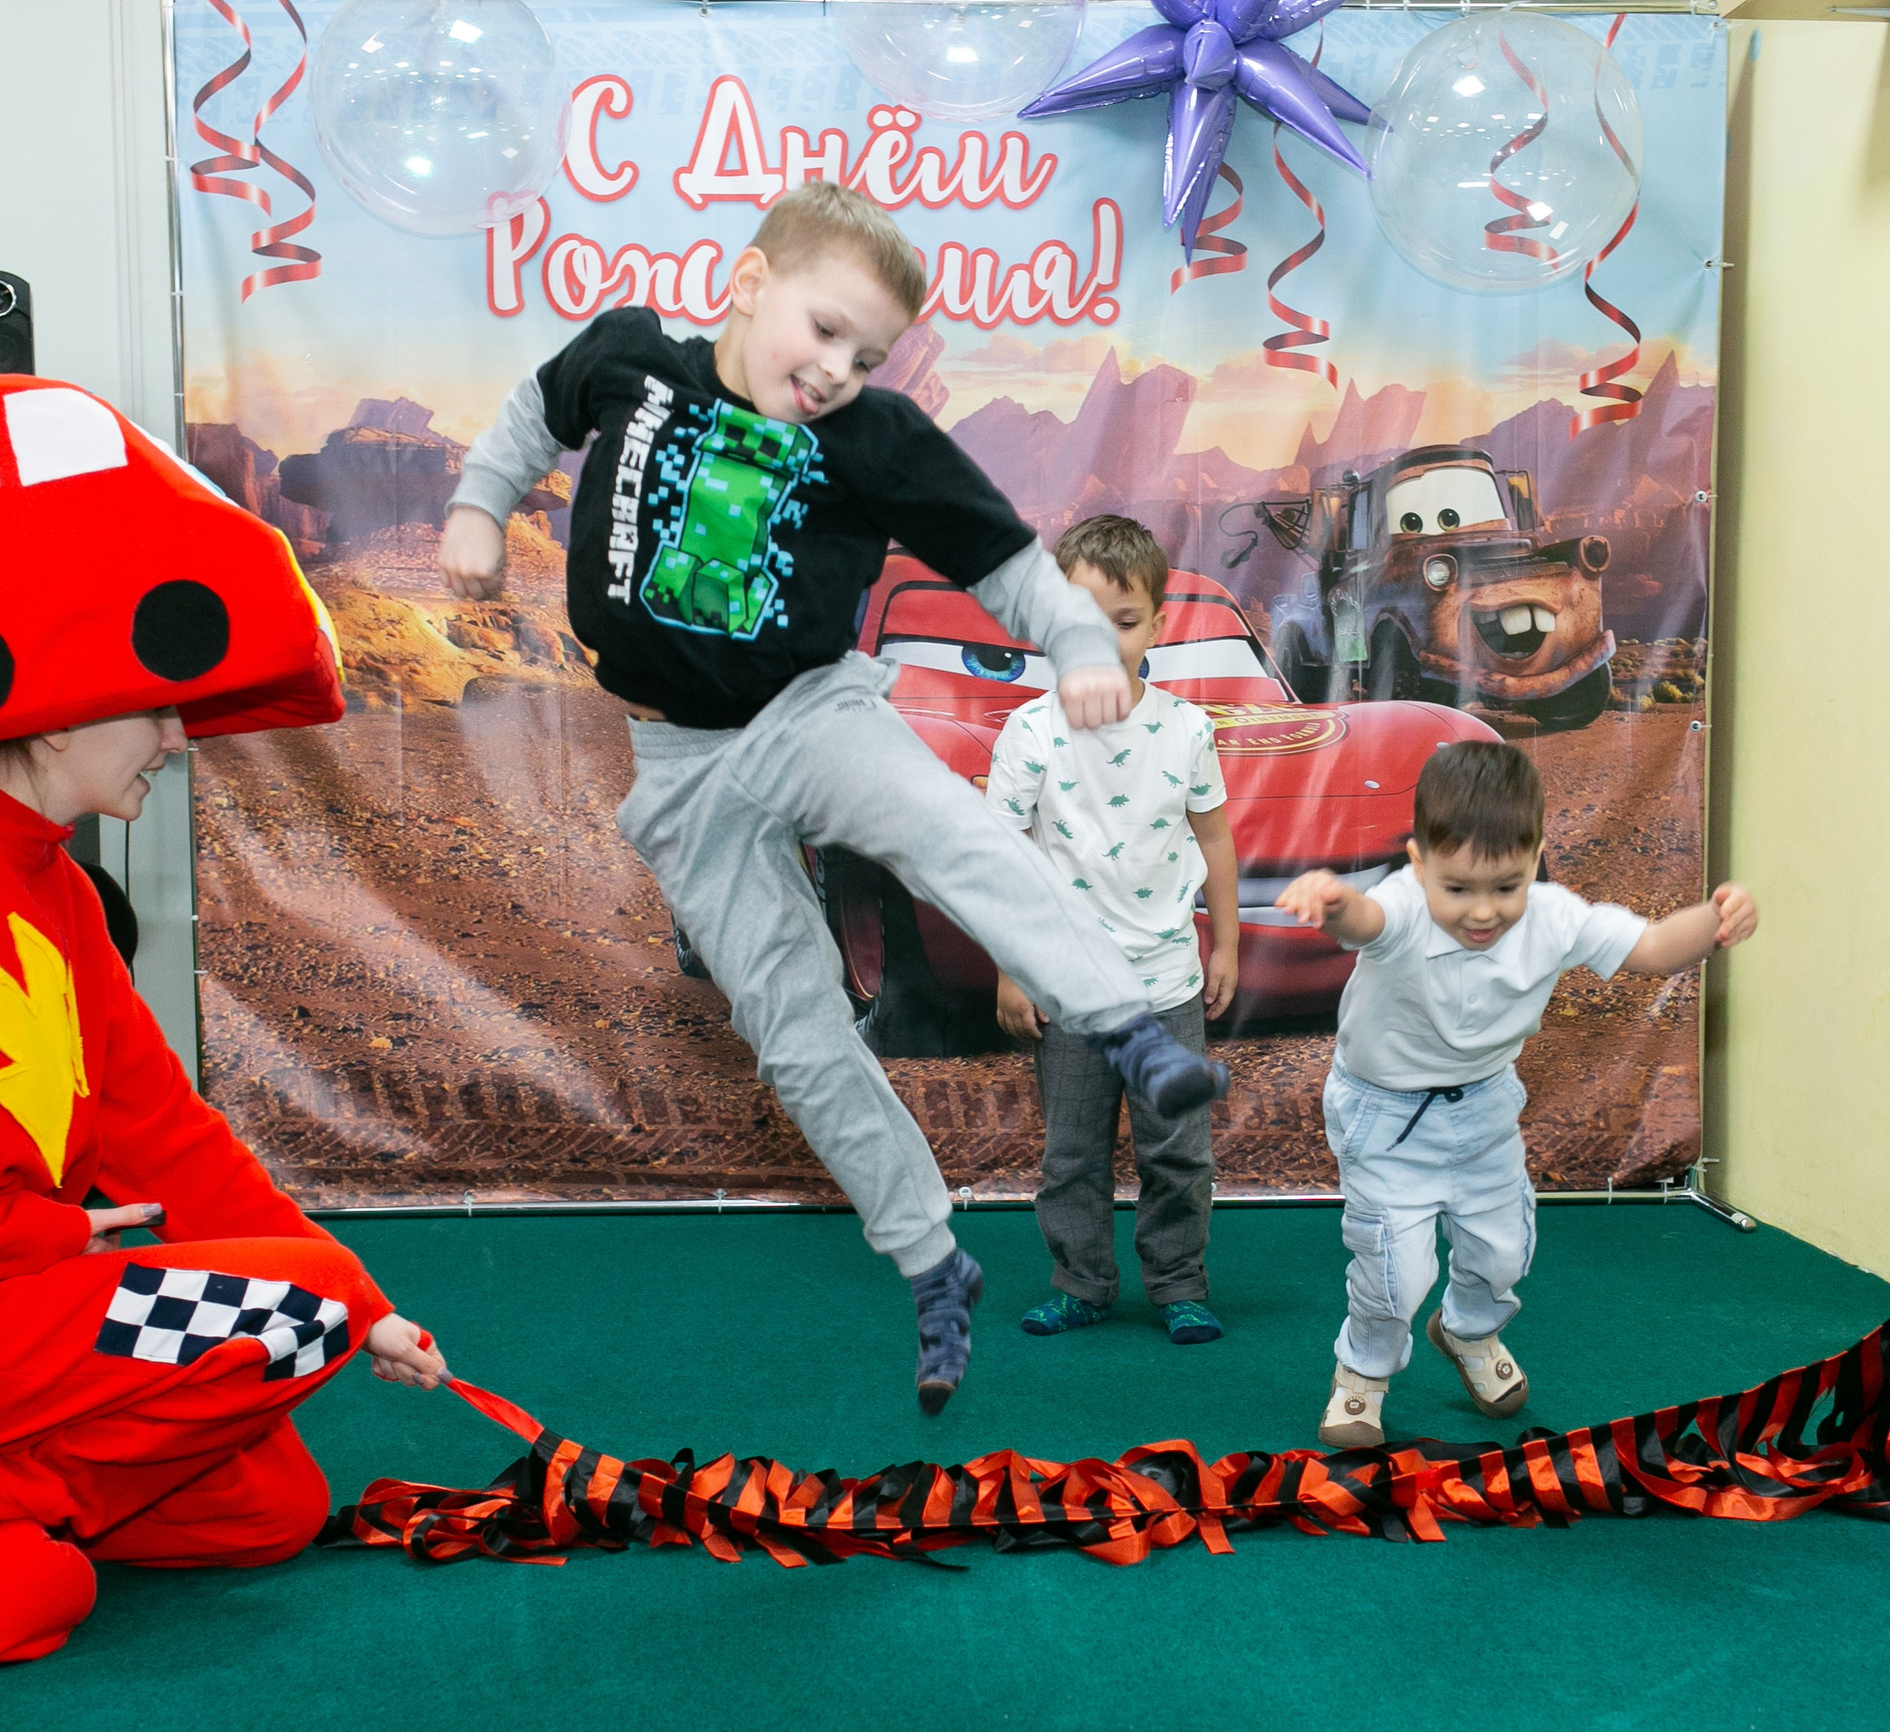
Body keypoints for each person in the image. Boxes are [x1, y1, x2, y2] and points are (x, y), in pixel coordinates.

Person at [438, 182, 1226, 1414]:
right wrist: (481, 508)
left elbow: (1005, 560)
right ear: (748, 284)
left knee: (942, 828)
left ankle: (1121, 1022)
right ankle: (931, 1260)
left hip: (808, 713)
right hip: (681, 766)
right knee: (794, 1029)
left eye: (867, 355)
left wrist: (1076, 645)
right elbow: (530, 413)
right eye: (822, 331)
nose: (837, 370)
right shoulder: (631, 358)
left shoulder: (875, 435)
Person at [0, 374, 448, 1667]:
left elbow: (163, 1135)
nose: (177, 735)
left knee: (271, 1510)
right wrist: (52, 1237)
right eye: (155, 700)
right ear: (49, 704)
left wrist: (370, 1308)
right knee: (291, 1311)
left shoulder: (47, 880)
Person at [1275, 740, 1756, 1447]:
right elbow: (1364, 925)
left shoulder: (1553, 915)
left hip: (1484, 1111)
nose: (1482, 911)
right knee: (1394, 1269)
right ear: (1418, 863)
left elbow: (1652, 947)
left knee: (1501, 1251)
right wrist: (1334, 901)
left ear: (1533, 860)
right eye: (1458, 888)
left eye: (1505, 886)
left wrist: (1714, 925)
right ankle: (1364, 1374)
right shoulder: (1402, 907)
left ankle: (1467, 1331)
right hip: (1385, 1119)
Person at [984, 516, 1238, 1345]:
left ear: (1157, 624)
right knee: (1072, 1156)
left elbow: (1214, 838)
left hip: (1165, 986)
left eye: (1123, 622)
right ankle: (1083, 1282)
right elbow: (1001, 860)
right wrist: (1010, 969)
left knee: (1178, 1154)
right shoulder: (1030, 733)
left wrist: (1227, 942)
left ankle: (1177, 1283)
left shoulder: (1187, 730)